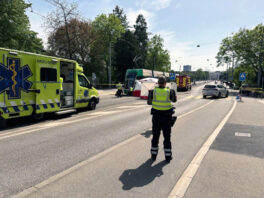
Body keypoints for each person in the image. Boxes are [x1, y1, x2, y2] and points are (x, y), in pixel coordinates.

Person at [147, 76, 177, 162]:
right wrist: (173, 92)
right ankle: (168, 157)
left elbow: (149, 103)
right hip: (167, 118)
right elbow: (174, 100)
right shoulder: (170, 91)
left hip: (156, 117)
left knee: (155, 137)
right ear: (165, 83)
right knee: (167, 137)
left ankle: (153, 156)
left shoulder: (153, 91)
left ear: (158, 83)